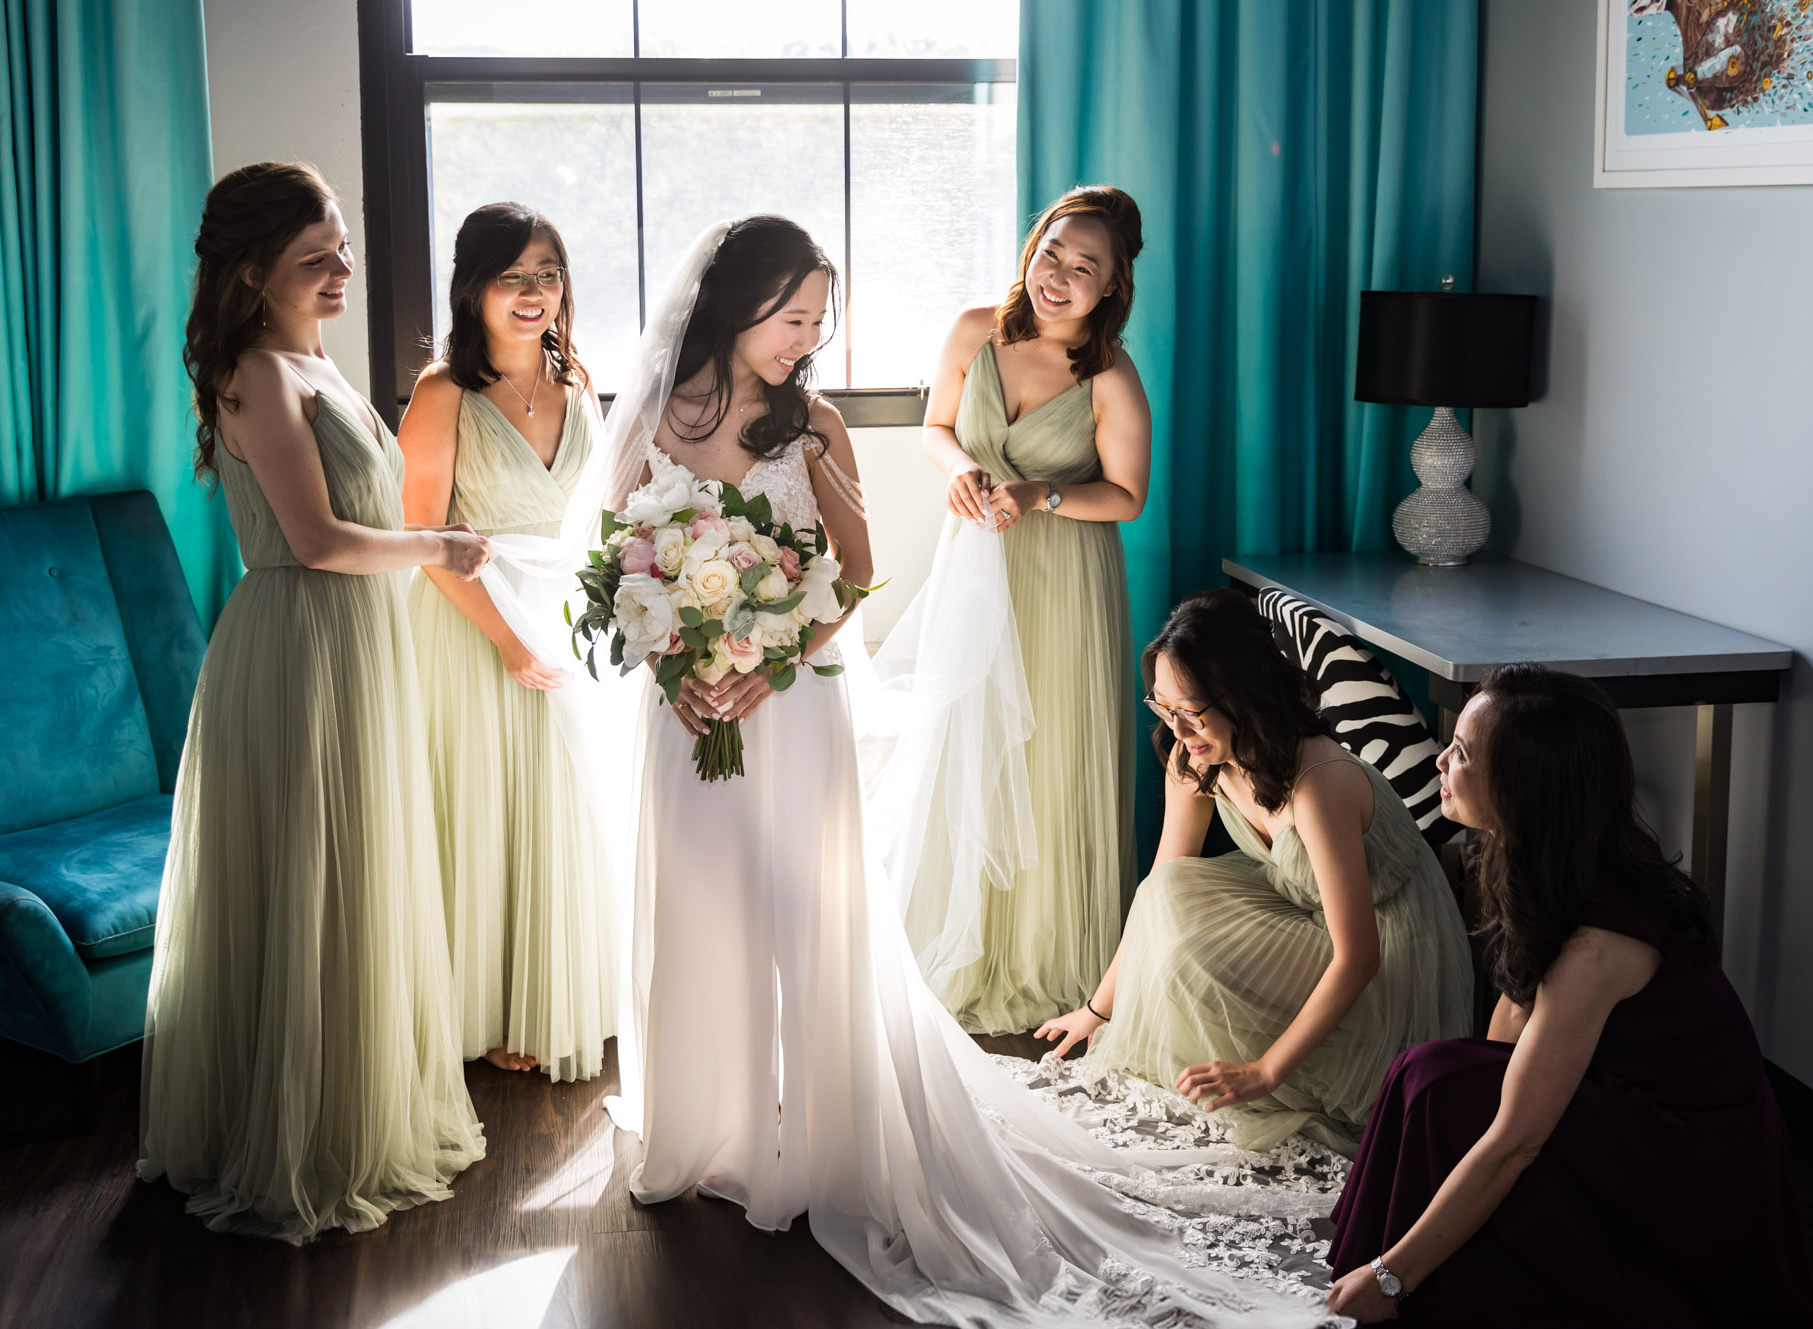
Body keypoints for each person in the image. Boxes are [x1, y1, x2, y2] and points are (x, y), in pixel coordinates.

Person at [600, 217, 1336, 1328]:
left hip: (791, 709)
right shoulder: (651, 419)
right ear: (732, 304)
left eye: (818, 322)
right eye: (792, 319)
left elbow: (849, 580)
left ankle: (788, 1135)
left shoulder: (820, 428)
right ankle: (699, 1123)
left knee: (797, 914)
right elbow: (612, 564)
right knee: (697, 910)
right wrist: (680, 660)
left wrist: (765, 668)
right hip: (683, 710)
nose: (807, 342)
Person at [137, 162, 487, 1243]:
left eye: (342, 244)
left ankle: (352, 1106)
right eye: (316, 257)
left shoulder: (311, 357)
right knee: (309, 874)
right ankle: (291, 1133)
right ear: (253, 273)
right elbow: (318, 542)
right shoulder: (254, 373)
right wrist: (439, 548)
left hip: (355, 641)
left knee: (358, 868)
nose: (342, 267)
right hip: (298, 646)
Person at [1326, 664, 1813, 1325]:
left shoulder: (1599, 945)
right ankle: (1384, 1254)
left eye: (1464, 752)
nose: (1442, 757)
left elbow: (1516, 1141)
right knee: (1435, 1072)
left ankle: (1395, 1282)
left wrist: (1394, 1277)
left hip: (1688, 1170)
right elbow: (1511, 1016)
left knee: (1442, 1084)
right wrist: (1469, 1101)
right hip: (1628, 1106)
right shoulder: (1540, 856)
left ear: (1522, 788)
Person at [1036, 589, 1473, 1156]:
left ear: (1246, 696)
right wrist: (1098, 1011)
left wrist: (1266, 1072)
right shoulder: (1194, 759)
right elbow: (1161, 886)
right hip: (1301, 907)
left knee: (1195, 943)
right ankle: (1248, 1053)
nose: (1177, 729)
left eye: (1191, 712)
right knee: (1168, 891)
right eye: (1162, 708)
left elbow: (1359, 956)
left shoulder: (1319, 782)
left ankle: (1288, 1063)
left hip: (1390, 945)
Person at [905, 185, 1151, 1034]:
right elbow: (935, 426)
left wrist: (1043, 489)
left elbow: (1126, 497)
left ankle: (1050, 953)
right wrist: (958, 471)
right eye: (1054, 252)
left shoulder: (1109, 375)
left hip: (1062, 580)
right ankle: (967, 940)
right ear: (1031, 248)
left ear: (1111, 287)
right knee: (969, 744)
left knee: (1050, 755)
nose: (1061, 275)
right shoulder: (975, 330)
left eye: (1085, 267)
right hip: (975, 566)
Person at [399, 202, 614, 1080]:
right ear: (474, 286)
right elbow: (421, 533)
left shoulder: (578, 378)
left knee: (560, 812)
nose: (533, 293)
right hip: (471, 619)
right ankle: (483, 1009)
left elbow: (594, 517)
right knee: (485, 813)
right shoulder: (443, 391)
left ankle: (554, 995)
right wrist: (504, 641)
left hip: (564, 617)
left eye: (548, 274)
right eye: (512, 276)